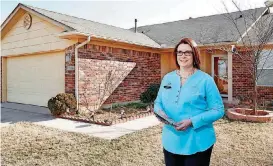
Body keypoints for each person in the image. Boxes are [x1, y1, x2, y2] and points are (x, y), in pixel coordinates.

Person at [154, 38, 224, 166]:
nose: (183, 56)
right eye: (179, 52)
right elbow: (158, 102)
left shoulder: (205, 80)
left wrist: (192, 121)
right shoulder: (167, 78)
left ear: (195, 55)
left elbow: (218, 110)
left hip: (197, 142)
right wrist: (160, 113)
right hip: (171, 141)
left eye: (187, 52)